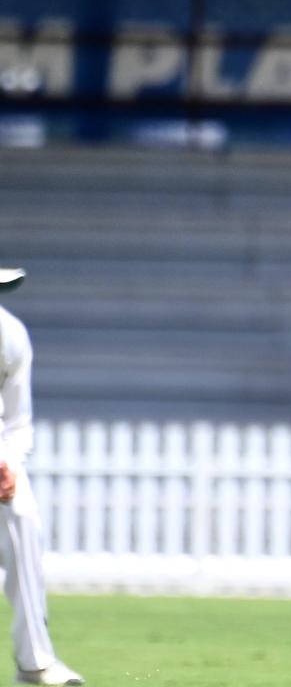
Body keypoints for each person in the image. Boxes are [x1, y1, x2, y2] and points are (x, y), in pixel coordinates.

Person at [0, 268, 85, 686]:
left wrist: (10, 465)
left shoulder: (10, 336)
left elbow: (18, 421)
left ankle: (35, 664)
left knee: (22, 516)